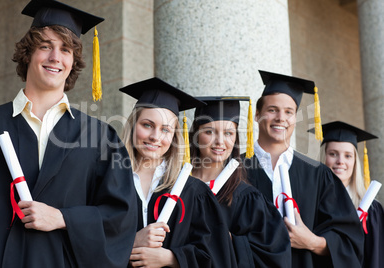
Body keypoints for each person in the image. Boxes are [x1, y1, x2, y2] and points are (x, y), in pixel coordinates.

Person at [0, 1, 137, 267]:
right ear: (28, 53)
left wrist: (63, 218)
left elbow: (119, 218)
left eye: (65, 49)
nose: (55, 57)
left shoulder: (100, 137)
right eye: (45, 46)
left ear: (73, 61)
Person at [243, 70, 364, 267]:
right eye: (272, 110)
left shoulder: (318, 174)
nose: (281, 118)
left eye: (289, 112)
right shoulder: (235, 170)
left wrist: (313, 242)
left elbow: (349, 241)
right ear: (257, 115)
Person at [120, 77, 237, 268]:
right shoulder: (108, 182)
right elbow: (84, 242)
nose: (155, 137)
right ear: (133, 125)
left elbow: (218, 257)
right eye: (147, 125)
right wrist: (131, 241)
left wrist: (172, 258)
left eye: (165, 130)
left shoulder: (193, 192)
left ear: (174, 136)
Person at [189, 96, 291, 267]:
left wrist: (228, 241)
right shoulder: (175, 188)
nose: (220, 141)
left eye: (228, 133)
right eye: (209, 131)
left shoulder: (246, 198)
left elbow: (274, 257)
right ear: (195, 135)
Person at [315, 121, 384, 268]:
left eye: (348, 156)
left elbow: (376, 259)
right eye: (333, 154)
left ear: (355, 162)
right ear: (323, 158)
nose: (340, 161)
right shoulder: (311, 203)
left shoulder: (371, 210)